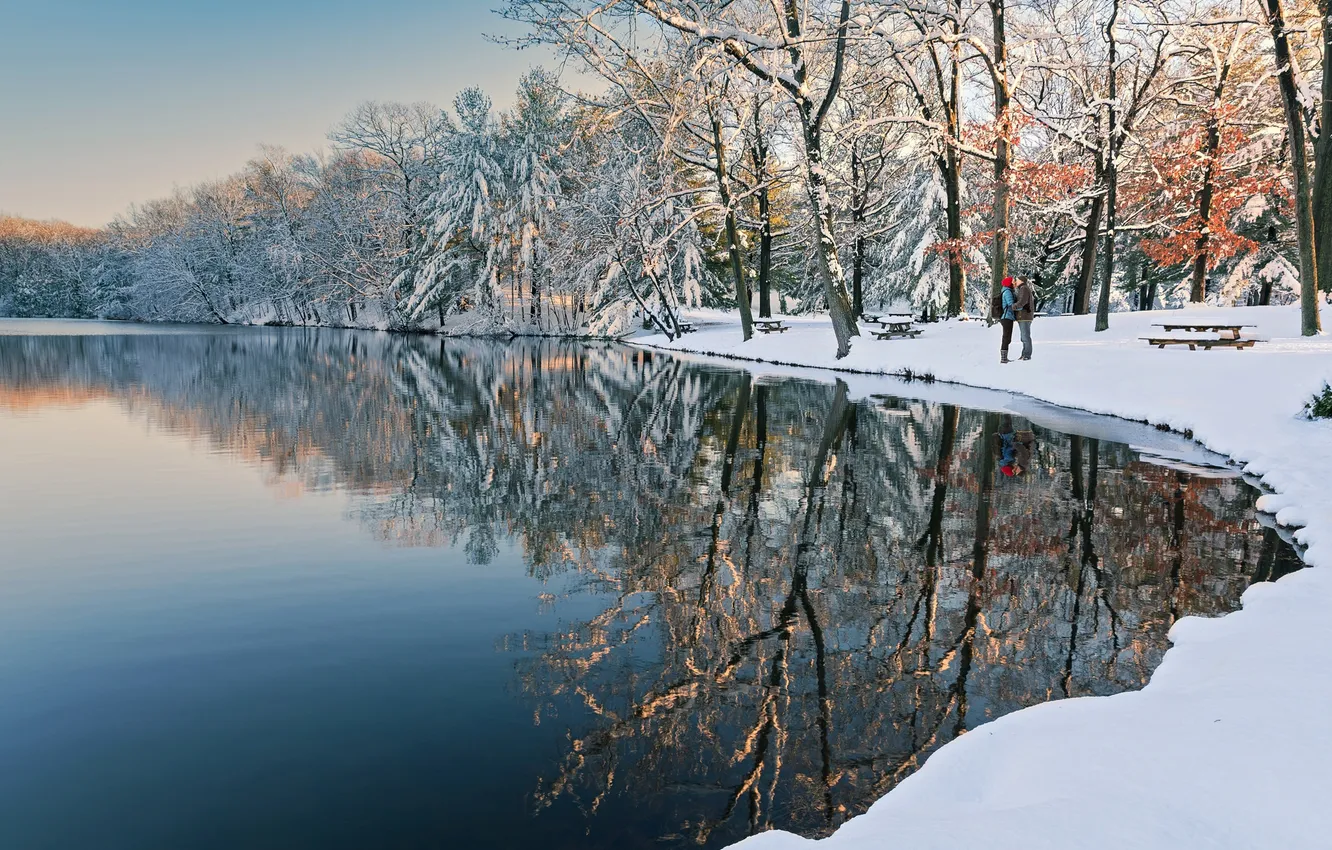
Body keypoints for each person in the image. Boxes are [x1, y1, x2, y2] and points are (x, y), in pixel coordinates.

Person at [1013, 276, 1035, 361]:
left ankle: (1027, 355)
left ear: (1021, 281)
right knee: (1024, 336)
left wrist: (1013, 306)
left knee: (1025, 336)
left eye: (1017, 280)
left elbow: (1022, 302)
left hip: (1025, 316)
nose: (1016, 281)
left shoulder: (1024, 289)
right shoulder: (1023, 288)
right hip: (1024, 316)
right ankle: (1024, 354)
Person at [999, 277, 1016, 364]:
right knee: (1006, 338)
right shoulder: (1008, 292)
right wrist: (1020, 307)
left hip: (1006, 317)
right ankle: (1003, 358)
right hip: (1007, 317)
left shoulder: (1005, 291)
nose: (1014, 283)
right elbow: (1010, 304)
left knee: (1006, 338)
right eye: (1012, 282)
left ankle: (1004, 357)